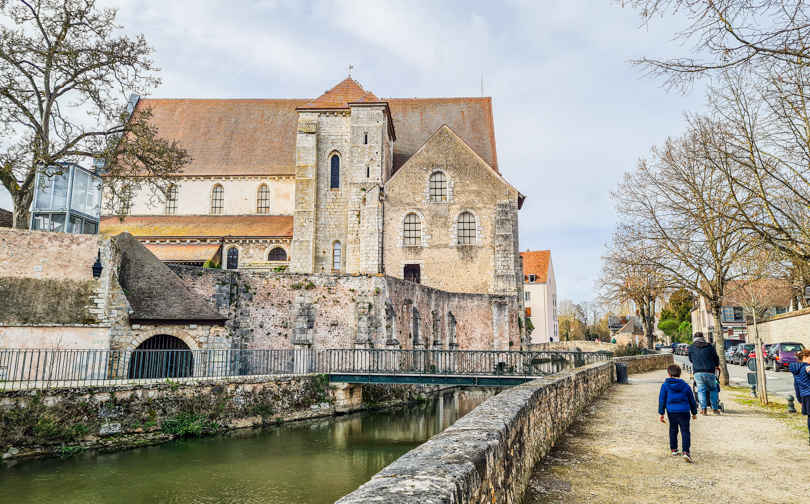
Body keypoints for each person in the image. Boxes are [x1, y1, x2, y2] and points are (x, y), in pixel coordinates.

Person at [659, 364, 698, 462]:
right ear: (680, 374)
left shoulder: (665, 386)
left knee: (673, 429)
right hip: (684, 411)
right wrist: (694, 413)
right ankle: (686, 452)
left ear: (668, 374)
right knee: (685, 431)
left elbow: (662, 400)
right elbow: (692, 400)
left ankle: (674, 448)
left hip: (671, 411)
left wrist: (661, 413)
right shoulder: (685, 386)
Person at [688, 332, 720, 415]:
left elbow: (690, 359)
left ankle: (703, 408)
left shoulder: (691, 347)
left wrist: (696, 364)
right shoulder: (710, 347)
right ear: (703, 337)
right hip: (710, 371)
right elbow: (716, 357)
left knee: (701, 390)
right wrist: (716, 365)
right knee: (713, 389)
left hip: (698, 372)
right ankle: (715, 408)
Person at [789, 349, 810, 445]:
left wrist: (799, 398)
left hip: (805, 396)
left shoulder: (795, 369)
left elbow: (796, 385)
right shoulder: (807, 367)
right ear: (804, 357)